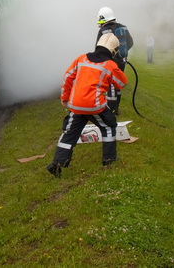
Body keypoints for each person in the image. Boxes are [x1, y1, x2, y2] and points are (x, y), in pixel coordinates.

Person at [47, 33, 128, 178]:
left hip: (76, 105)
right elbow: (121, 83)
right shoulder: (110, 65)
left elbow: (67, 78)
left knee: (70, 133)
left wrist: (65, 98)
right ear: (114, 50)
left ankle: (57, 163)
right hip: (95, 106)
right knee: (108, 126)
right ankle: (109, 160)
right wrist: (118, 65)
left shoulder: (81, 59)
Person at [95, 6, 133, 115]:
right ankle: (116, 108)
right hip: (122, 61)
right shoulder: (123, 27)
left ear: (103, 18)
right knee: (117, 84)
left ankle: (110, 110)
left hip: (109, 62)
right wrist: (120, 55)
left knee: (110, 85)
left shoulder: (103, 31)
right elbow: (130, 43)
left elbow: (98, 47)